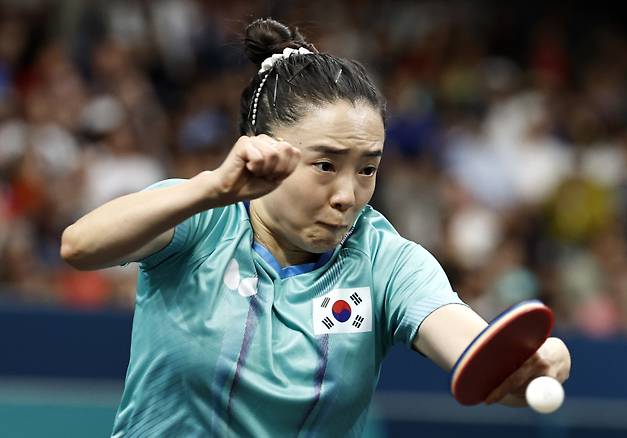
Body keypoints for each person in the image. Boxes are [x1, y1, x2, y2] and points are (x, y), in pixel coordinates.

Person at [61, 18, 571, 437]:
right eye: (325, 166)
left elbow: (462, 338)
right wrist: (211, 188)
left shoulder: (384, 260)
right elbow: (80, 246)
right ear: (262, 146)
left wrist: (526, 362)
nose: (348, 194)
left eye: (367, 168)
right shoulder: (200, 216)